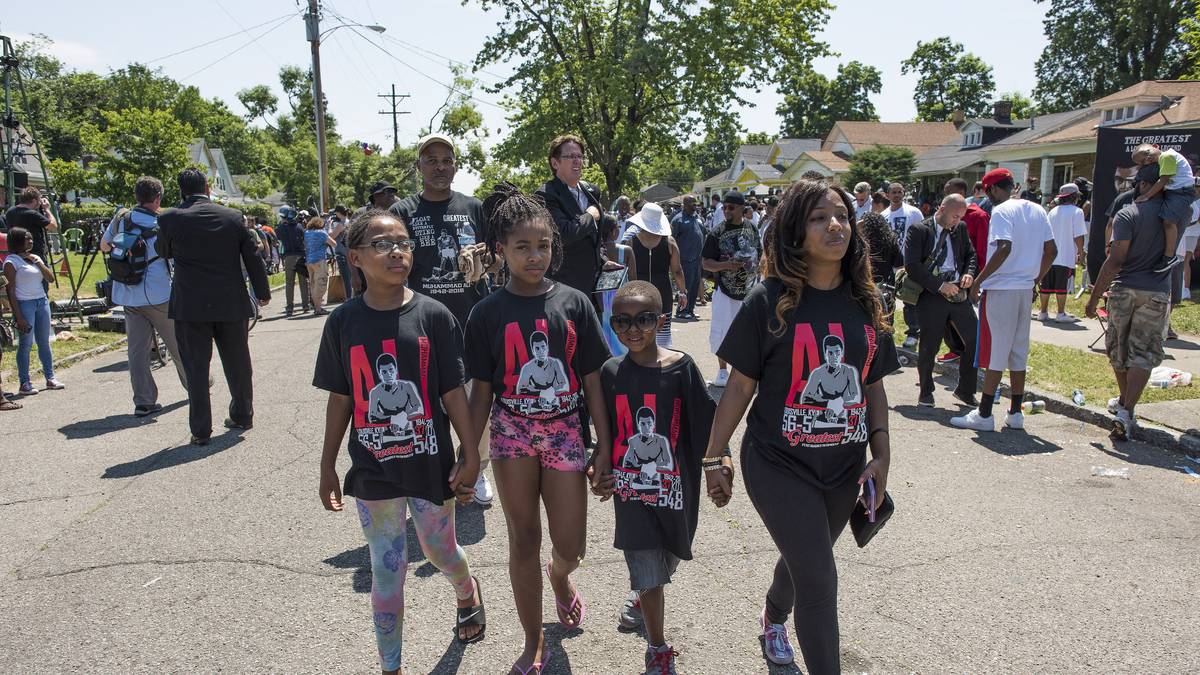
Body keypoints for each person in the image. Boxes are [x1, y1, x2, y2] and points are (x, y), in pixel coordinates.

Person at [702, 179, 899, 673]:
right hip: (777, 463)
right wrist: (713, 456)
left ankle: (773, 615)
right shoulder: (768, 300)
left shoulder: (867, 302)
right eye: (819, 218)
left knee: (807, 558)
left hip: (844, 468)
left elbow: (873, 385)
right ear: (795, 231)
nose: (835, 225)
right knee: (819, 578)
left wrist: (881, 455)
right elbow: (739, 387)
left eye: (842, 216)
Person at [314, 209, 487, 674]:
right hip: (374, 471)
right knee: (387, 570)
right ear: (355, 258)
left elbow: (453, 392)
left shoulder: (434, 315)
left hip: (430, 465)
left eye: (404, 242)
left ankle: (466, 591)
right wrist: (328, 465)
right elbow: (341, 398)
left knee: (440, 551)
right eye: (382, 244)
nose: (396, 251)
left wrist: (471, 455)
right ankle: (391, 666)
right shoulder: (342, 323)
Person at [464, 184, 611, 674]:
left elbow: (592, 379)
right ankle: (533, 642)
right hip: (512, 433)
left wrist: (605, 446)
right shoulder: (486, 313)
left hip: (566, 432)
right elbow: (482, 391)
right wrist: (470, 452)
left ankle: (561, 576)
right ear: (500, 249)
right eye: (522, 246)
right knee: (523, 538)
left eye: (543, 245)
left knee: (571, 543)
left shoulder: (574, 303)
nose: (534, 256)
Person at [591, 280, 715, 674]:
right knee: (647, 567)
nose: (633, 329)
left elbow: (708, 427)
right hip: (631, 498)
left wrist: (719, 465)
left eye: (644, 319)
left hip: (676, 493)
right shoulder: (610, 372)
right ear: (612, 324)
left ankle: (642, 595)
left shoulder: (682, 368)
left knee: (669, 558)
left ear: (660, 321)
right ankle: (657, 647)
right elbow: (606, 434)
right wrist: (599, 467)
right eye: (622, 321)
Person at [391, 133, 496, 506]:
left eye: (446, 160)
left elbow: (497, 258)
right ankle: (436, 475)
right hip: (420, 327)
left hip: (470, 324)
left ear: (455, 165)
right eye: (431, 160)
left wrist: (487, 261)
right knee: (426, 409)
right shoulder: (402, 213)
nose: (439, 167)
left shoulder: (474, 207)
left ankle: (476, 468)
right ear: (418, 166)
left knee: (477, 406)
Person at [156, 168, 271, 445]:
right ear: (207, 187)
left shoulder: (169, 218)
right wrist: (262, 291)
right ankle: (242, 414)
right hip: (230, 300)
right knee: (238, 362)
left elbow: (163, 251)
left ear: (181, 190)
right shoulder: (232, 217)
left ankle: (200, 429)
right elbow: (252, 257)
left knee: (196, 367)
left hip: (190, 304)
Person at [951, 168, 1055, 433]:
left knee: (995, 351)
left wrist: (978, 281)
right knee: (1018, 352)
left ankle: (985, 413)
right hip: (1024, 288)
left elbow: (1004, 247)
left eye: (989, 193)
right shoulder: (1038, 209)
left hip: (1001, 288)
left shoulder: (1001, 211)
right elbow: (1051, 251)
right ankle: (1015, 412)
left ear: (993, 189)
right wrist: (1035, 279)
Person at [1086, 164, 1173, 440]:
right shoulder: (1174, 215)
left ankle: (1125, 408)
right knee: (1143, 353)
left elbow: (1115, 261)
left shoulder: (1128, 213)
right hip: (1157, 291)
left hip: (1125, 288)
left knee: (1118, 349)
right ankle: (1126, 409)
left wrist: (1093, 298)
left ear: (1145, 185)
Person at [99, 176, 188, 416]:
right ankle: (195, 385)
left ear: (137, 196)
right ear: (157, 198)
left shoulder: (122, 218)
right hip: (158, 293)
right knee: (178, 344)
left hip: (128, 293)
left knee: (137, 351)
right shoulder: (162, 222)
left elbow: (105, 246)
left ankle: (144, 400)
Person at [905, 194, 979, 408]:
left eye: (961, 217)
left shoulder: (960, 228)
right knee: (930, 345)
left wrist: (969, 273)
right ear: (942, 209)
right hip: (931, 294)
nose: (957, 221)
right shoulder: (920, 230)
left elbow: (971, 255)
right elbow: (912, 266)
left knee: (974, 340)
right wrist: (939, 285)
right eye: (955, 216)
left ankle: (965, 390)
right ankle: (926, 391)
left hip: (957, 292)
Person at [702, 190, 761, 387]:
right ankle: (722, 371)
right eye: (725, 207)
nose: (726, 211)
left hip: (749, 291)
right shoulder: (717, 232)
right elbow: (706, 262)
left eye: (731, 207)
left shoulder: (752, 228)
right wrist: (726, 265)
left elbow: (759, 252)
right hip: (725, 292)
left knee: (748, 333)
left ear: (742, 208)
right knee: (722, 331)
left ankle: (744, 371)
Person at [536, 134, 607, 298]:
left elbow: (596, 236)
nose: (577, 161)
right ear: (555, 163)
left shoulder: (591, 191)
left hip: (593, 286)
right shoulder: (545, 194)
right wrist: (590, 216)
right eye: (570, 156)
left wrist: (603, 259)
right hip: (564, 286)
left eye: (580, 156)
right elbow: (564, 234)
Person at [3, 227, 63, 395]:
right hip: (24, 304)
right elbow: (10, 291)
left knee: (44, 342)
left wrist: (38, 262)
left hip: (41, 301)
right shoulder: (11, 262)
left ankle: (50, 378)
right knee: (26, 344)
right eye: (27, 239)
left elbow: (50, 278)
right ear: (17, 241)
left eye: (31, 238)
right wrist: (19, 316)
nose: (31, 241)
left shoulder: (35, 258)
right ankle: (25, 383)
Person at [627, 202, 687, 348]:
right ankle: (662, 358)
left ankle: (641, 357)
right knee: (662, 331)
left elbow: (627, 270)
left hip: (638, 292)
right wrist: (682, 292)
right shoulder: (669, 241)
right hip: (662, 291)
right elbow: (677, 270)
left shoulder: (631, 241)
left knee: (639, 330)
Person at [1131, 143, 1196, 273]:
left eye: (1147, 153)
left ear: (1156, 146)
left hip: (1181, 192)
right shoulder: (1163, 158)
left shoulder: (1167, 156)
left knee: (1168, 221)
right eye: (1143, 162)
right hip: (1175, 191)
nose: (1148, 159)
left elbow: (1163, 180)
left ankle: (1169, 257)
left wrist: (1146, 196)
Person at [883, 182, 925, 348]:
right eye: (893, 192)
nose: (897, 195)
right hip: (890, 265)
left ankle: (913, 333)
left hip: (909, 264)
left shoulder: (913, 212)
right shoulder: (884, 215)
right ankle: (887, 332)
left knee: (909, 299)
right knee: (888, 299)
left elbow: (924, 234)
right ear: (887, 195)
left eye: (899, 192)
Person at [1038, 184, 1087, 322]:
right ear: (1074, 197)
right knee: (1061, 286)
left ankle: (1043, 312)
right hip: (1066, 255)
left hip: (1049, 256)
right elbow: (1078, 235)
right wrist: (1081, 252)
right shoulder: (1077, 212)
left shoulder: (1052, 211)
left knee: (1046, 285)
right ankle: (1060, 313)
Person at [598, 213, 638, 358]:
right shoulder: (626, 250)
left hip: (600, 300)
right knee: (622, 330)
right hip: (622, 297)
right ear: (614, 231)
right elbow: (633, 280)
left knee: (604, 332)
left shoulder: (595, 251)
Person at [670, 195, 704, 319]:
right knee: (685, 287)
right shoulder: (678, 220)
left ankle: (690, 309)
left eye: (695, 202)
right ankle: (681, 311)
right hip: (684, 260)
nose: (694, 204)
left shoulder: (697, 218)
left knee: (694, 285)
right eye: (691, 202)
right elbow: (671, 239)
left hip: (697, 259)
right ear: (684, 204)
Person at [5, 187, 58, 263]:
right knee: (43, 271)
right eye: (39, 200)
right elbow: (53, 226)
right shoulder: (32, 214)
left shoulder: (10, 211)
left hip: (15, 255)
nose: (40, 203)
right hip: (34, 255)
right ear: (34, 201)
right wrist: (47, 209)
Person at [276, 205, 309, 316]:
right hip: (300, 256)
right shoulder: (299, 227)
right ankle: (305, 305)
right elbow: (304, 240)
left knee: (289, 283)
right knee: (303, 282)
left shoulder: (280, 228)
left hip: (288, 257)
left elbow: (278, 238)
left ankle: (290, 307)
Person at [303, 216, 335, 316]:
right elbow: (333, 243)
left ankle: (317, 306)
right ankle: (318, 308)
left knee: (313, 284)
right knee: (321, 283)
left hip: (309, 261)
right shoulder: (321, 233)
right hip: (319, 260)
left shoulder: (307, 233)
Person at [329, 205, 353, 299]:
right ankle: (351, 297)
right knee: (350, 277)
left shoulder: (341, 224)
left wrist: (330, 225)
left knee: (346, 279)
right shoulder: (349, 221)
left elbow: (332, 236)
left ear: (338, 213)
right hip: (348, 253)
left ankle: (349, 299)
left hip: (342, 254)